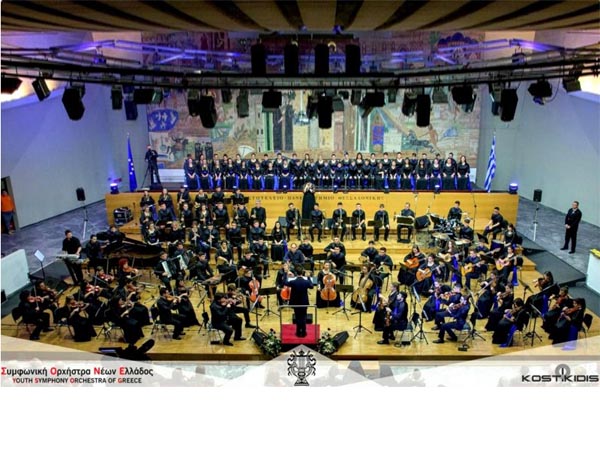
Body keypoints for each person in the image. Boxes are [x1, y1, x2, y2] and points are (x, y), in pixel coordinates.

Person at [283, 266, 314, 337]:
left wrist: (286, 274)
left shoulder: (293, 282)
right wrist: (309, 277)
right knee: (303, 317)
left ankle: (298, 332)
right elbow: (311, 286)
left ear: (296, 273)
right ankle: (304, 332)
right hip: (304, 302)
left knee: (297, 317)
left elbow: (285, 282)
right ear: (302, 273)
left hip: (296, 302)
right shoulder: (306, 282)